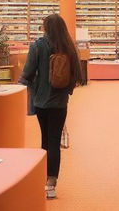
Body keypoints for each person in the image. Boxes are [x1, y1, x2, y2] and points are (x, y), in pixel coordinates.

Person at [20, 14, 81, 200]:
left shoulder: (38, 46)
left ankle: (43, 178)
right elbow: (76, 75)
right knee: (54, 140)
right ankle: (51, 183)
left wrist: (26, 85)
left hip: (41, 101)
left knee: (45, 140)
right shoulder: (69, 47)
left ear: (46, 28)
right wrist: (65, 92)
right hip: (60, 102)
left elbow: (28, 73)